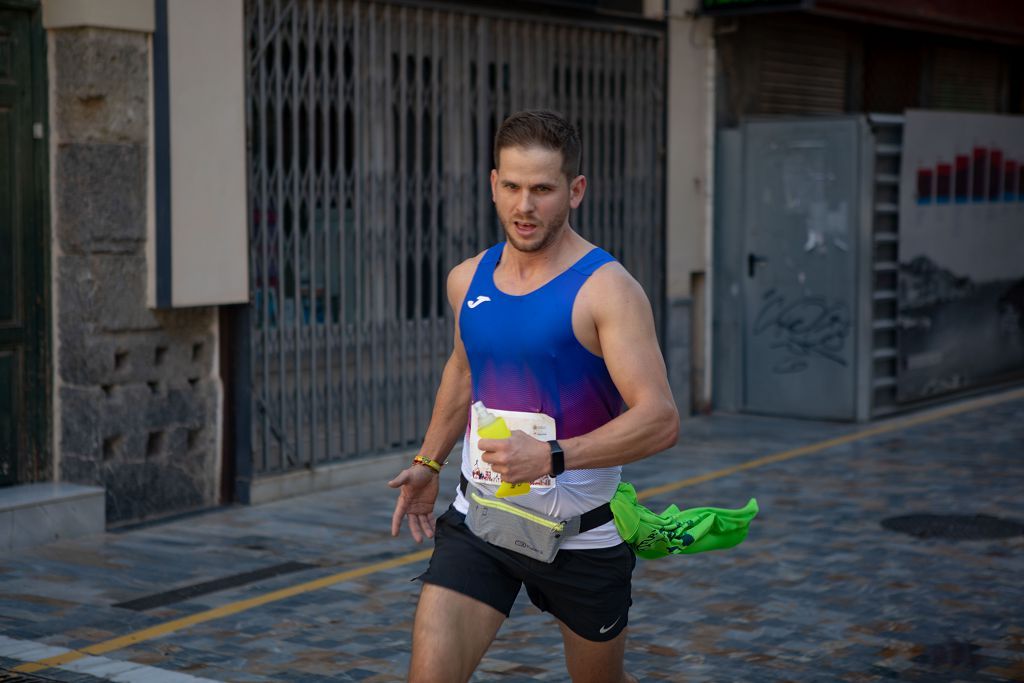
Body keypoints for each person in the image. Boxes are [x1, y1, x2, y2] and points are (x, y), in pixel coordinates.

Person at [388, 109, 678, 683]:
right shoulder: (466, 279)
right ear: (493, 184)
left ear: (575, 191)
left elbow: (660, 420)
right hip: (482, 521)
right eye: (513, 187)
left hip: (582, 537)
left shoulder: (608, 291)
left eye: (543, 189)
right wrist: (429, 461)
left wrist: (553, 456)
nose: (525, 207)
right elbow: (465, 371)